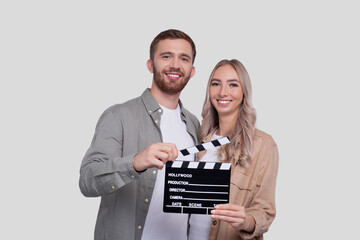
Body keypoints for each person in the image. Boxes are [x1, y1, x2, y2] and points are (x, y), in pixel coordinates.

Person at [79, 29, 200, 240]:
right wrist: (134, 163)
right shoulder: (118, 116)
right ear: (150, 65)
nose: (175, 64)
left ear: (192, 70)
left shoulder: (194, 124)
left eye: (184, 58)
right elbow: (87, 180)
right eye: (166, 56)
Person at [188, 59, 279, 240]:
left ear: (244, 92)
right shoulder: (198, 139)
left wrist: (246, 221)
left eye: (233, 85)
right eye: (216, 84)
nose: (223, 92)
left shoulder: (263, 145)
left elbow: (265, 211)